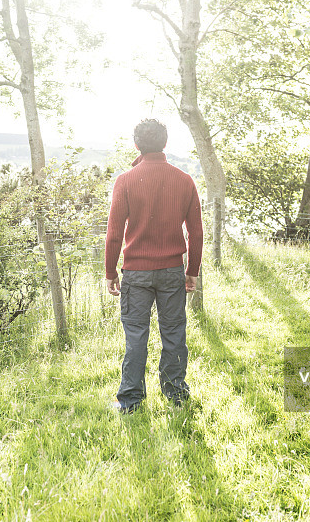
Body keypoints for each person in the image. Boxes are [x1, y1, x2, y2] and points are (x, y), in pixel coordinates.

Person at [104, 119, 203, 414]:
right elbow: (196, 233)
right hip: (173, 271)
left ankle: (130, 401)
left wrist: (110, 272)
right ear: (165, 142)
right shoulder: (184, 180)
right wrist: (192, 270)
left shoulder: (126, 180)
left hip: (135, 272)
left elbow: (113, 234)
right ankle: (176, 396)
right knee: (174, 333)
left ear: (137, 145)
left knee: (136, 336)